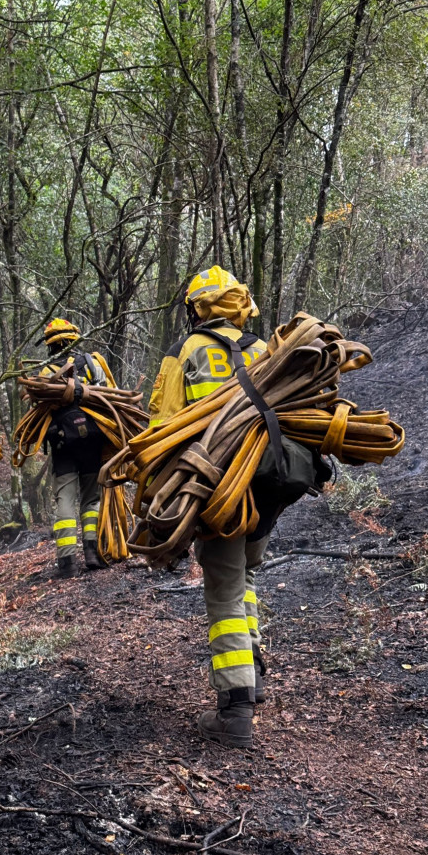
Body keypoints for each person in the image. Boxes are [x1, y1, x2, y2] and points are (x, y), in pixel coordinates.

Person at [149, 267, 270, 748]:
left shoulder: (186, 352)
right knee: (247, 577)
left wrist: (166, 499)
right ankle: (254, 668)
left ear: (197, 309)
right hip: (267, 486)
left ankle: (235, 708)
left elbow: (163, 428)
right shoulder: (264, 350)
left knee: (223, 593)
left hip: (217, 489)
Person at [38, 317, 113, 578]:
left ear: (50, 345)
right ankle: (92, 552)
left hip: (62, 446)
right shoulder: (92, 363)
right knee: (92, 498)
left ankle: (67, 563)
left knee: (65, 501)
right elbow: (108, 396)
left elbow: (38, 412)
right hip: (93, 441)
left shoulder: (46, 372)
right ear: (74, 339)